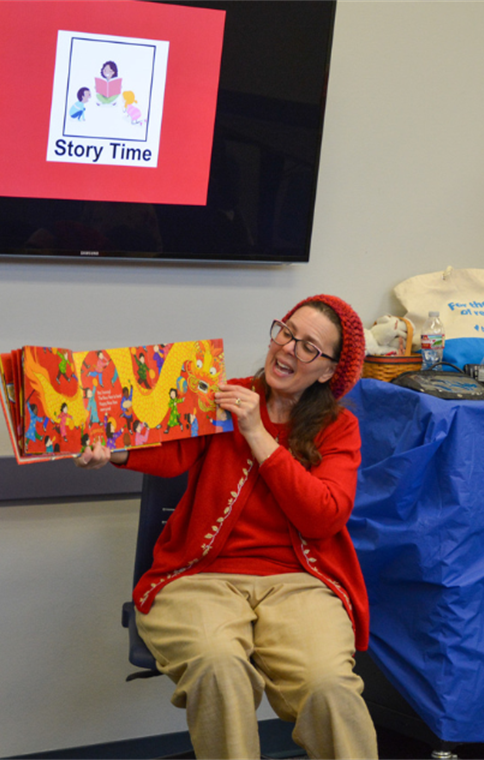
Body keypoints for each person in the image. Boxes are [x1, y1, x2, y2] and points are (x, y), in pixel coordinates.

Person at [76, 294, 376, 760]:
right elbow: (170, 450)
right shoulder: (225, 395)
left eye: (309, 347)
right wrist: (110, 452)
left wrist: (257, 433)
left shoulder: (338, 428)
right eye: (286, 332)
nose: (288, 349)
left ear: (327, 372)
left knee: (329, 686)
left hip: (300, 585)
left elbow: (324, 515)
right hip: (200, 578)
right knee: (220, 667)